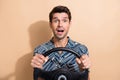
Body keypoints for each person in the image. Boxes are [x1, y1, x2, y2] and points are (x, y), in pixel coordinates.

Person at [31, 5, 91, 80]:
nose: (60, 25)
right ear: (50, 24)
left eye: (64, 20)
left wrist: (83, 69)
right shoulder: (40, 51)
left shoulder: (81, 50)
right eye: (56, 21)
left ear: (69, 23)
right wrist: (38, 69)